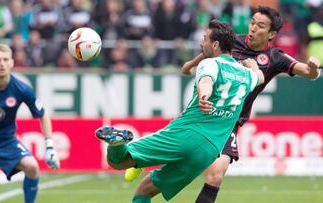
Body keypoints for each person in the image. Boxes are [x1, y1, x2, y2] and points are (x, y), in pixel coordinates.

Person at [96, 20, 264, 203]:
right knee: (145, 190)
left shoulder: (210, 64)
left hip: (187, 134)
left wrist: (204, 96)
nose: (202, 43)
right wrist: (253, 67)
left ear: (215, 45)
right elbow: (260, 78)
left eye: (205, 39)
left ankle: (117, 143)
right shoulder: (247, 75)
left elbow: (206, 81)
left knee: (119, 161)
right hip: (209, 152)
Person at [181, 6, 321, 203]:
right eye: (252, 22)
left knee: (215, 176)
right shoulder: (233, 41)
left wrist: (314, 68)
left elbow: (309, 72)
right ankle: (136, 160)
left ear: (271, 34)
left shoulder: (275, 57)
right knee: (175, 166)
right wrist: (190, 64)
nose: (253, 28)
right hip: (203, 114)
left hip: (229, 122)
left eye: (260, 25)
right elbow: (209, 51)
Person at [0, 44, 60, 203]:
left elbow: (42, 115)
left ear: (12, 63)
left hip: (5, 140)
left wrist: (50, 146)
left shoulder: (22, 89)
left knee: (32, 167)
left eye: (5, 59)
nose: (2, 63)